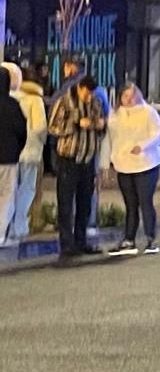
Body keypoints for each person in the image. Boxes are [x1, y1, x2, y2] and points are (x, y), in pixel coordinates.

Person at [48, 73, 107, 258]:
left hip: (88, 159)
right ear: (80, 88)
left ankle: (82, 241)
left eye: (91, 94)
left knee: (85, 202)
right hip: (69, 159)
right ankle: (67, 243)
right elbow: (53, 127)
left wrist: (99, 125)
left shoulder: (95, 103)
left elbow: (103, 127)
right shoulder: (64, 102)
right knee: (66, 202)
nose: (89, 98)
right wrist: (75, 124)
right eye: (86, 94)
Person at [106, 83, 160, 256]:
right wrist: (111, 160)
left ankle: (150, 238)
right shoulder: (116, 115)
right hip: (124, 165)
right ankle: (128, 239)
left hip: (146, 164)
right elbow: (111, 138)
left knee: (145, 201)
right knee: (130, 204)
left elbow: (158, 133)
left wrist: (143, 146)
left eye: (132, 96)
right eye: (125, 97)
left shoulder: (148, 112)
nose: (129, 100)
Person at [1, 62, 47, 244]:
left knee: (7, 192)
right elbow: (39, 127)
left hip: (9, 153)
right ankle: (18, 227)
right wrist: (42, 141)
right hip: (29, 151)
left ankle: (6, 227)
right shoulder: (34, 99)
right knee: (26, 189)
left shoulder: (11, 97)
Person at [0, 66, 28, 247]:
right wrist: (17, 151)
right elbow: (22, 132)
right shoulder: (13, 105)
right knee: (6, 196)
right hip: (8, 159)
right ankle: (0, 234)